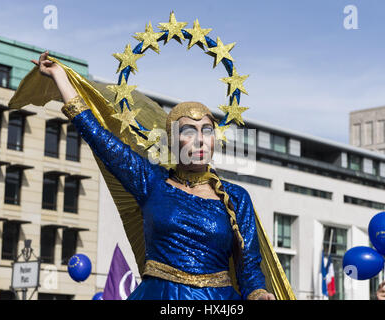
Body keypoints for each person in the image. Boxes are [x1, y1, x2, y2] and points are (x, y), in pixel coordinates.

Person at [31, 51, 276, 300]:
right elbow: (98, 137)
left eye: (207, 131)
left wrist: (258, 294)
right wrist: (60, 77)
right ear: (171, 141)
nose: (200, 140)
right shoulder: (151, 181)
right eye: (189, 131)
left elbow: (249, 268)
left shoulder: (236, 197)